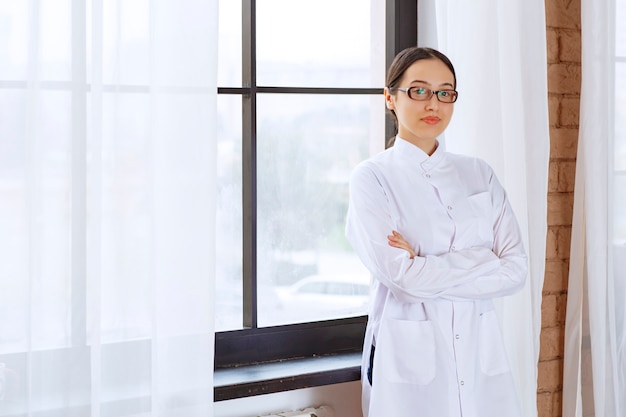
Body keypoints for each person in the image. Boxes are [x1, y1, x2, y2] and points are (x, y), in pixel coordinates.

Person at [345, 46, 528, 417]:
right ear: (390, 98)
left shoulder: (479, 174)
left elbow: (516, 271)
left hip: (481, 356)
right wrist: (484, 259)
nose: (434, 104)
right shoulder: (372, 178)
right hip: (408, 360)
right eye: (419, 90)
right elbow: (404, 281)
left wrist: (425, 263)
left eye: (445, 93)